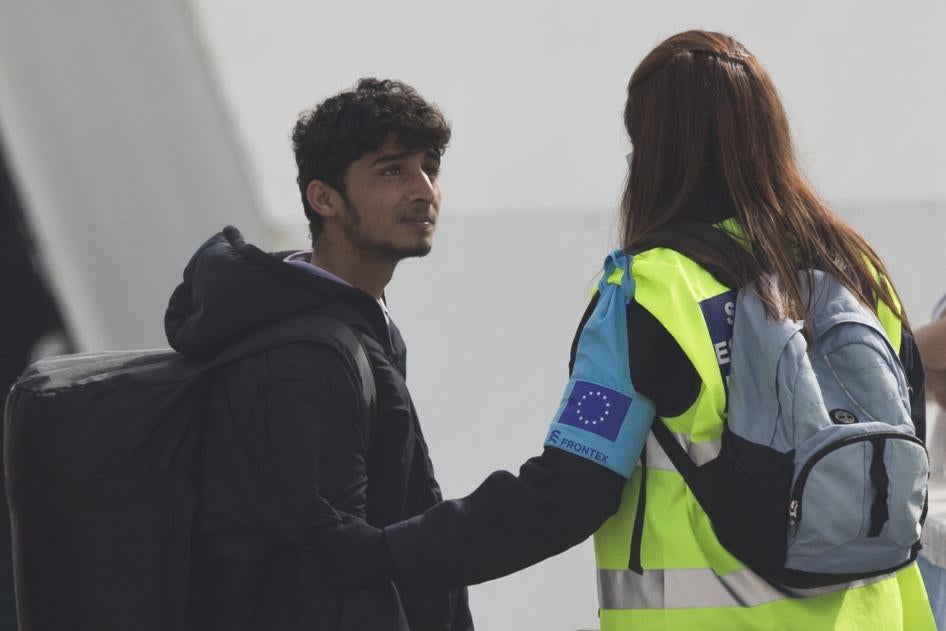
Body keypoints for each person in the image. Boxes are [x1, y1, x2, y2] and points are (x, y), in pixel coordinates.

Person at [346, 31, 936, 630]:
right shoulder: (858, 274)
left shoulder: (651, 292)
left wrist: (387, 555)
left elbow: (570, 490)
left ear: (656, 150)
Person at [164, 78, 472, 630]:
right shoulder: (304, 360)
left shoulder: (354, 323)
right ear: (323, 197)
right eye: (392, 170)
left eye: (430, 167)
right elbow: (338, 576)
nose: (424, 190)